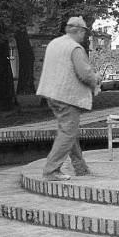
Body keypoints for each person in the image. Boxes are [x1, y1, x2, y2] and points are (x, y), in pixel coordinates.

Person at [37, 16, 102, 181]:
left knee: (68, 131)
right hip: (67, 96)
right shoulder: (75, 48)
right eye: (84, 33)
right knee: (68, 132)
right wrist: (96, 78)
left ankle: (80, 167)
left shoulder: (55, 43)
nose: (84, 37)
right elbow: (84, 74)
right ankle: (51, 170)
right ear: (79, 31)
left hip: (52, 94)